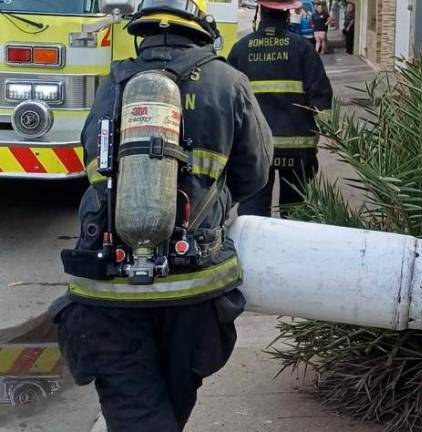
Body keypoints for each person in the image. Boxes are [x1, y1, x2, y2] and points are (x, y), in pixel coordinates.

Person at [50, 1, 273, 430]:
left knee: (138, 415)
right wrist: (212, 200)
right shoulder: (229, 81)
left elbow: (93, 163)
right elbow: (256, 173)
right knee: (170, 407)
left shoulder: (112, 83)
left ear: (142, 30)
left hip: (107, 288)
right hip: (193, 287)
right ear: (203, 29)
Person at [228, 0, 333, 217]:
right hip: (297, 150)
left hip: (255, 150)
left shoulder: (240, 49)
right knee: (293, 213)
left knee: (253, 213)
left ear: (260, 11)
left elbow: (228, 100)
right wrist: (332, 133)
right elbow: (321, 96)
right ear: (287, 14)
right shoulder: (302, 48)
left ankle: (253, 249)